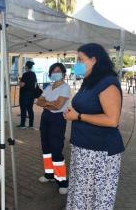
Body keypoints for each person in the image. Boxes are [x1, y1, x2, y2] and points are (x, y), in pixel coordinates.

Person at [64, 43, 124, 210]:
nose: (77, 63)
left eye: (80, 59)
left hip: (100, 152)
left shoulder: (108, 83)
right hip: (83, 149)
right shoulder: (89, 82)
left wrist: (79, 116)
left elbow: (112, 120)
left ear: (94, 60)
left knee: (97, 198)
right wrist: (75, 113)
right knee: (81, 194)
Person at [36, 63, 70, 195]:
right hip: (46, 118)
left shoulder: (65, 88)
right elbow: (39, 101)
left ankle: (62, 181)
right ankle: (49, 174)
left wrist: (46, 104)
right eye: (53, 71)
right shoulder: (49, 87)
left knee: (56, 149)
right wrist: (50, 103)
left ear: (63, 73)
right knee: (46, 148)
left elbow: (58, 106)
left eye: (58, 71)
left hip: (57, 120)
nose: (56, 73)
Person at [18, 61, 37, 129]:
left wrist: (19, 82)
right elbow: (34, 84)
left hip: (24, 95)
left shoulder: (25, 74)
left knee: (23, 109)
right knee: (30, 109)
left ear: (26, 66)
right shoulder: (33, 74)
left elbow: (22, 84)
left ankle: (23, 125)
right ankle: (31, 125)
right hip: (31, 95)